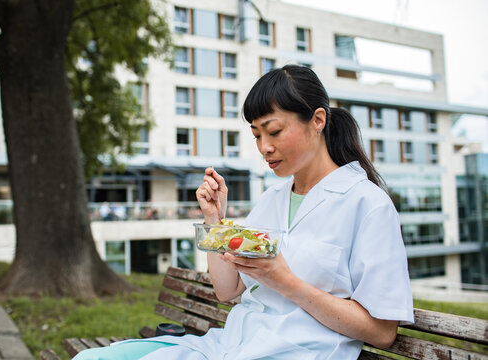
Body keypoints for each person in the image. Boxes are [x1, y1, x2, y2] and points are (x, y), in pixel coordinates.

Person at [73, 65, 414, 360]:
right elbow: (227, 289)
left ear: (318, 120)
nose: (265, 147)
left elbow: (382, 332)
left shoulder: (367, 204)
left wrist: (286, 282)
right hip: (230, 346)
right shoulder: (272, 200)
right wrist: (215, 221)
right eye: (256, 135)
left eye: (275, 131)